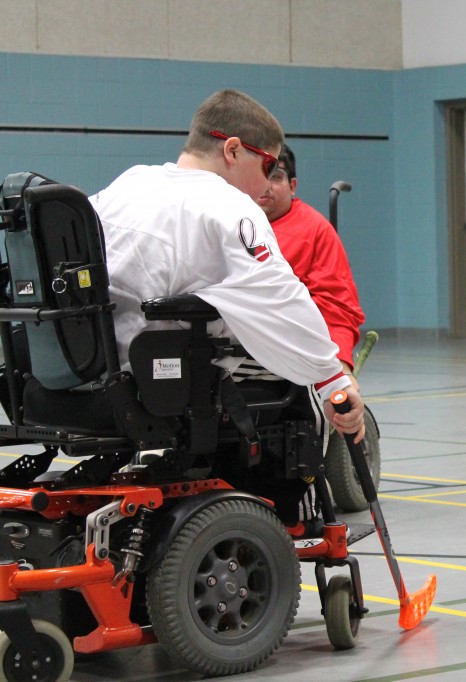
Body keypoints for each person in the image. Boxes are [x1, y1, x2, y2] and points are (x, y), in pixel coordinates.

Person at [90, 89, 364, 526]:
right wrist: (334, 375)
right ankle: (288, 521)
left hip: (93, 376)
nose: (266, 182)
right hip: (160, 381)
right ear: (233, 150)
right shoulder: (227, 206)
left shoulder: (126, 185)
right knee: (307, 393)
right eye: (268, 166)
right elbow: (281, 299)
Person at [255, 143, 365, 375]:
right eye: (258, 175)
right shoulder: (222, 221)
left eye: (275, 176)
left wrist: (340, 366)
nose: (265, 185)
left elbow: (337, 308)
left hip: (285, 355)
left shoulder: (316, 231)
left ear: (292, 186)